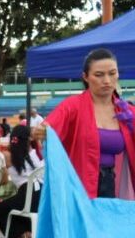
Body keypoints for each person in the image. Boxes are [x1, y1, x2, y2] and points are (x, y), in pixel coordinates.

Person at [39, 48, 135, 199]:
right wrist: (42, 131)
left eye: (112, 73)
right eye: (99, 75)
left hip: (110, 184)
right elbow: (47, 128)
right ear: (85, 77)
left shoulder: (128, 112)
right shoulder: (72, 105)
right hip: (77, 185)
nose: (107, 80)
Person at [0, 125, 43, 238]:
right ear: (28, 139)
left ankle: (24, 235)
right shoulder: (32, 153)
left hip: (27, 193)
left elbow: (2, 178)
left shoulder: (7, 155)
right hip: (41, 194)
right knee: (16, 208)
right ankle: (28, 235)